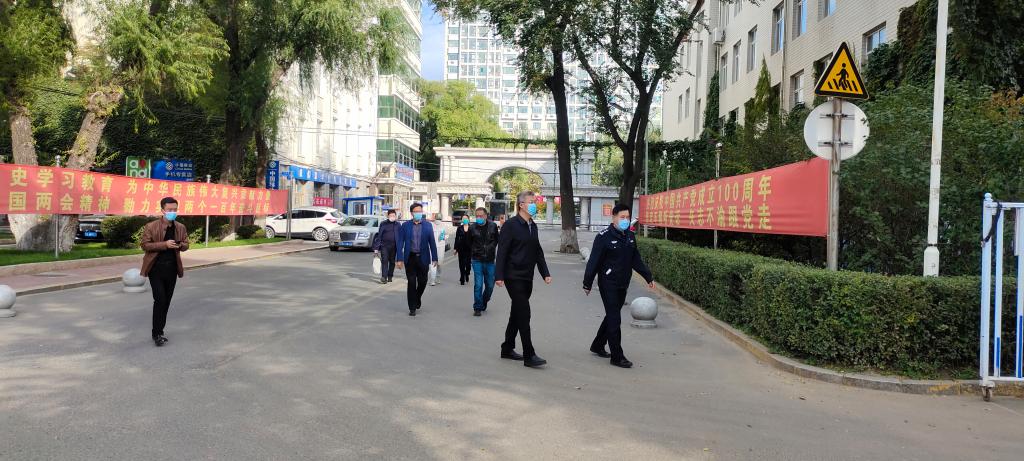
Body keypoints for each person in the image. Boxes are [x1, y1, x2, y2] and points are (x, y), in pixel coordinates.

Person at [583, 204, 654, 368]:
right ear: (613, 217)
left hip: (623, 282)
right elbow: (594, 261)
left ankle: (598, 345)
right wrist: (587, 283)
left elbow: (636, 259)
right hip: (608, 283)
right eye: (622, 217)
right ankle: (617, 356)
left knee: (611, 315)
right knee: (615, 318)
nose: (625, 220)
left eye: (627, 217)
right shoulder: (603, 237)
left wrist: (648, 276)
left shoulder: (630, 236)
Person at [495, 191, 551, 368]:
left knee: (517, 313)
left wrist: (545, 272)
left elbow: (537, 251)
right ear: (521, 205)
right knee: (524, 313)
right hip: (513, 276)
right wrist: (499, 275)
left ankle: (507, 348)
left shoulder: (532, 225)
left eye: (535, 201)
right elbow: (502, 251)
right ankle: (529, 354)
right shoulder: (510, 225)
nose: (534, 204)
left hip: (528, 276)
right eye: (531, 202)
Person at [140, 197, 190, 347]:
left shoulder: (180, 227)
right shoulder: (151, 226)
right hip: (155, 269)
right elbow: (145, 245)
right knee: (160, 299)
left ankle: (160, 331)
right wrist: (165, 244)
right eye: (169, 210)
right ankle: (156, 334)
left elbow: (186, 244)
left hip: (172, 269)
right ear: (162, 210)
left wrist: (181, 245)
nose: (172, 212)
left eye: (175, 209)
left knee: (166, 301)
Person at [396, 203, 438, 316]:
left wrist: (435, 257)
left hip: (423, 258)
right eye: (416, 211)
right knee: (411, 282)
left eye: (420, 211)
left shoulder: (428, 225)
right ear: (412, 213)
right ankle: (412, 308)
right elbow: (400, 243)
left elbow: (432, 242)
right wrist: (399, 259)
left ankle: (417, 297)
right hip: (410, 258)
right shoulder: (405, 225)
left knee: (423, 281)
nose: (419, 213)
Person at [467, 207, 499, 316]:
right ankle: (477, 307)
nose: (478, 218)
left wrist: (490, 248)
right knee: (478, 284)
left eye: (481, 216)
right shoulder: (472, 228)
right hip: (477, 260)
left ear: (486, 216)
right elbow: (469, 243)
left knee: (490, 285)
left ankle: (484, 300)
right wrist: (475, 251)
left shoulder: (493, 226)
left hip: (490, 260)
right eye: (477, 216)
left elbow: (496, 240)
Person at [373, 209, 400, 284]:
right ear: (388, 216)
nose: (392, 217)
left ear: (395, 216)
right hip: (384, 246)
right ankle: (384, 277)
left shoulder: (398, 225)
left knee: (392, 262)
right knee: (384, 260)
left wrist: (400, 247)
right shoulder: (383, 224)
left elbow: (400, 236)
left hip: (394, 246)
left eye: (393, 215)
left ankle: (390, 276)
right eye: (390, 215)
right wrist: (376, 249)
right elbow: (379, 236)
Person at [454, 215, 472, 285]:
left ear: (468, 219)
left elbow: (474, 239)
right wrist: (455, 248)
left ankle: (467, 274)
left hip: (469, 249)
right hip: (461, 249)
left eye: (466, 218)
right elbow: (456, 238)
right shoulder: (459, 228)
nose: (464, 220)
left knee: (468, 265)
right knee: (461, 264)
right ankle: (462, 277)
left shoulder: (471, 228)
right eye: (463, 218)